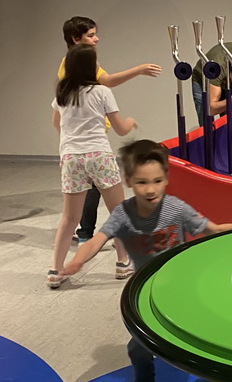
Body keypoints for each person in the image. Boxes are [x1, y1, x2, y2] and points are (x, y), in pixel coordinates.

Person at [59, 138, 232, 382]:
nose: (150, 189)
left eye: (157, 181)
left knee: (203, 333)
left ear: (166, 179)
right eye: (142, 182)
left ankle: (210, 371)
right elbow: (97, 240)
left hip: (183, 285)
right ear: (129, 181)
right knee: (138, 347)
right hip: (147, 292)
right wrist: (77, 260)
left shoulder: (176, 208)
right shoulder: (123, 214)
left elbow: (211, 229)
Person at [59, 16, 161, 244]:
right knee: (111, 203)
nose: (97, 39)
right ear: (76, 39)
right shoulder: (79, 73)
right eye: (91, 35)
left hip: (78, 148)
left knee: (84, 198)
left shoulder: (73, 78)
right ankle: (117, 251)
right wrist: (139, 70)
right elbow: (107, 83)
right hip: (92, 147)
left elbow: (59, 119)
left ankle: (83, 239)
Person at [48, 44, 138, 289]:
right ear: (91, 66)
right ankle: (122, 263)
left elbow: (58, 125)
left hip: (71, 158)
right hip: (99, 155)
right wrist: (130, 123)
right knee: (117, 211)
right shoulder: (102, 92)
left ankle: (55, 270)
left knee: (69, 217)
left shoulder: (62, 94)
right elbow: (119, 128)